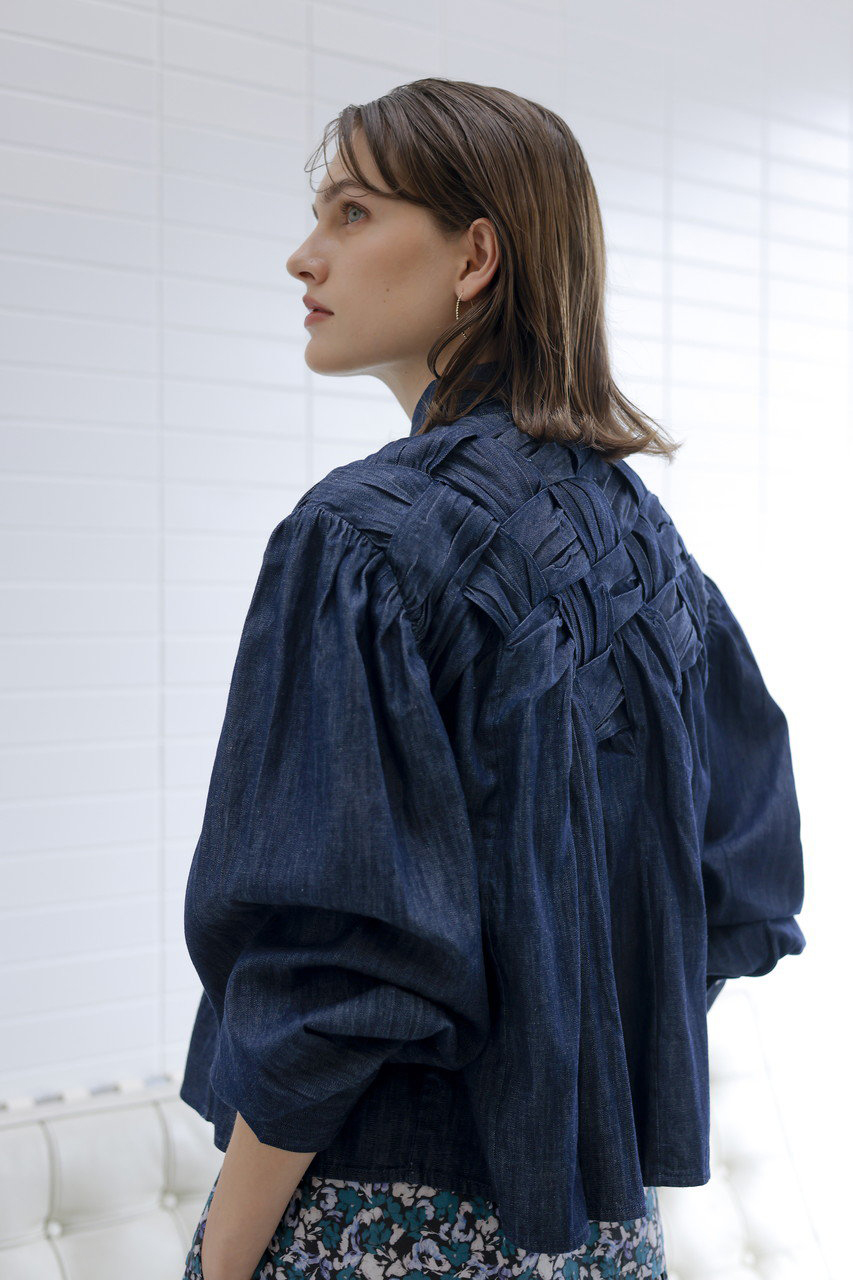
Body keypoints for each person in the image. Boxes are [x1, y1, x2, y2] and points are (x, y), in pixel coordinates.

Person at [178, 78, 806, 1280]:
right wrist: (562, 1059)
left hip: (376, 1227)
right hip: (600, 1234)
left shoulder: (355, 538)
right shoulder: (648, 550)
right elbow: (740, 884)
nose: (305, 255)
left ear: (475, 256)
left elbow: (333, 970)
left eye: (353, 212)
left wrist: (218, 1258)